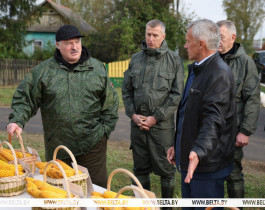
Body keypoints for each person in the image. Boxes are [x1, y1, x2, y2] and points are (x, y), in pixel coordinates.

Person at [7, 25, 119, 188]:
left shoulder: (97, 68)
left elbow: (110, 102)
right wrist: (17, 120)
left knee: (95, 189)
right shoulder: (43, 71)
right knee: (60, 189)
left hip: (92, 144)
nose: (74, 47)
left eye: (77, 42)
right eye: (68, 43)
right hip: (58, 146)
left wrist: (103, 133)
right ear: (58, 45)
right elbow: (26, 98)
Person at [167, 19, 236, 206]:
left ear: (201, 43)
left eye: (188, 41)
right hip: (191, 161)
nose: (185, 45)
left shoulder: (218, 73)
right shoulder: (197, 69)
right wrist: (178, 144)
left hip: (206, 167)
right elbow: (187, 113)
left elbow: (214, 120)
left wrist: (198, 150)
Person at [121, 19, 184, 200]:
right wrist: (132, 115)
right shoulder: (136, 59)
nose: (150, 39)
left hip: (162, 128)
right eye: (148, 34)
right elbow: (126, 90)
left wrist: (155, 118)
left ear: (163, 36)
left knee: (166, 171)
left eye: (155, 35)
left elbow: (176, 94)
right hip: (138, 126)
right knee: (140, 170)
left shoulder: (174, 60)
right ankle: (143, 204)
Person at [217, 20, 260, 201]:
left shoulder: (245, 63)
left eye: (220, 37)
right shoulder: (209, 60)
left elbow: (252, 99)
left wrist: (245, 131)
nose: (216, 41)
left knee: (233, 174)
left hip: (232, 130)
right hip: (209, 129)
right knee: (211, 174)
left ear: (232, 38)